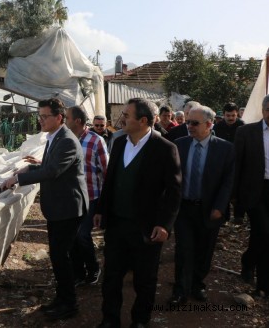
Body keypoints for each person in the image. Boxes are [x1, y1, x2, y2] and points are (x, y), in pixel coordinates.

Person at [94, 98, 181, 328]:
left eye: (127, 115)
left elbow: (173, 192)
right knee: (112, 276)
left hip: (146, 228)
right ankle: (109, 320)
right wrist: (101, 209)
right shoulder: (120, 143)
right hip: (117, 224)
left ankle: (140, 321)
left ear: (143, 121)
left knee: (144, 280)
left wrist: (164, 225)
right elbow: (110, 180)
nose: (121, 118)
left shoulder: (165, 149)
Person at [1, 98, 88, 321]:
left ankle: (69, 304)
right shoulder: (55, 137)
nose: (40, 120)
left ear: (59, 118)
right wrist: (30, 166)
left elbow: (52, 172)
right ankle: (62, 298)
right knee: (59, 256)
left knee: (61, 256)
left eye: (44, 116)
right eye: (39, 116)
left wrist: (19, 178)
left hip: (67, 208)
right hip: (59, 206)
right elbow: (48, 166)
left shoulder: (67, 141)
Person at [169, 106, 234, 305]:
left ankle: (197, 285)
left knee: (205, 251)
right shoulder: (179, 145)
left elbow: (228, 181)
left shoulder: (225, 148)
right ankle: (180, 290)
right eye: (188, 122)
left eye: (194, 123)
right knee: (184, 249)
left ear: (209, 124)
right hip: (184, 209)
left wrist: (219, 207)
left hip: (210, 209)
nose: (189, 126)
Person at [65, 106, 108, 287]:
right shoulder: (65, 141)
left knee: (83, 235)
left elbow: (107, 171)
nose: (64, 121)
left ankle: (93, 268)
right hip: (71, 198)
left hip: (91, 197)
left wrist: (104, 204)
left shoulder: (95, 141)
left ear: (77, 121)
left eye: (67, 118)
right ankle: (78, 273)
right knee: (72, 238)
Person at [233, 94, 269, 297]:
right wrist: (234, 197)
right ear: (264, 110)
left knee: (260, 235)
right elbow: (237, 164)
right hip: (255, 191)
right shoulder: (246, 132)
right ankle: (263, 285)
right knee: (265, 233)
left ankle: (248, 262)